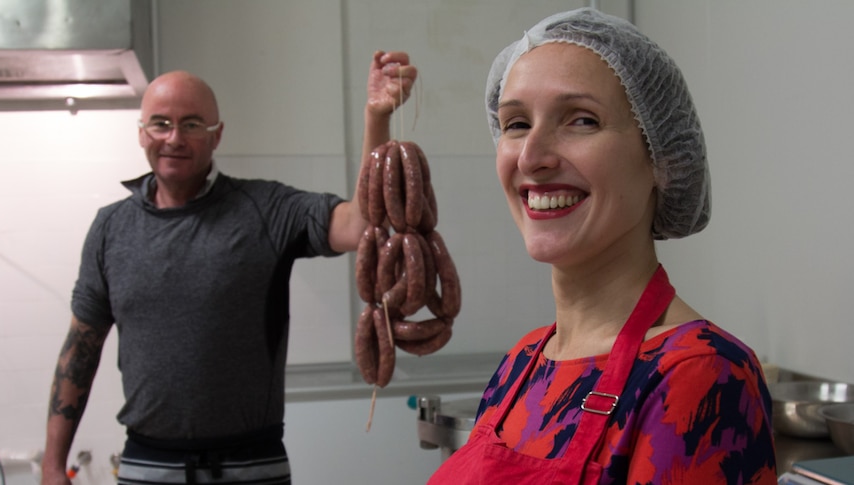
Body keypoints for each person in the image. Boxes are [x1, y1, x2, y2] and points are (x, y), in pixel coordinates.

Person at [428, 8, 776, 485]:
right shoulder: (526, 360)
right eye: (515, 124)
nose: (532, 156)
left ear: (662, 158)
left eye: (582, 120)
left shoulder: (699, 373)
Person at [40, 50, 417, 485]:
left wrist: (376, 117)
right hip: (147, 466)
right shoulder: (111, 228)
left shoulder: (265, 209)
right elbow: (79, 351)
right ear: (142, 133)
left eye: (193, 124)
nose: (175, 138)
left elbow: (360, 225)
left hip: (251, 466)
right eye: (161, 123)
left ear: (217, 136)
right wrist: (53, 465)